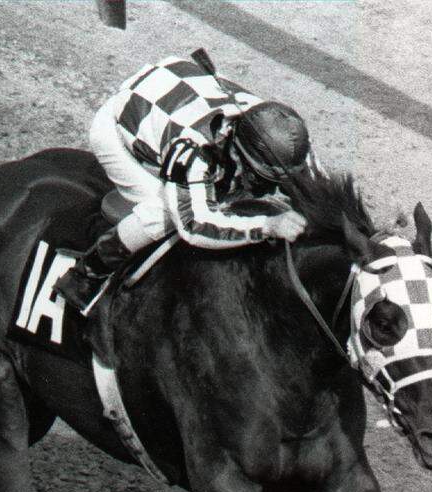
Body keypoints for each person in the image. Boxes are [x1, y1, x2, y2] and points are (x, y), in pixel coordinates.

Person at [54, 50, 314, 313]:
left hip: (178, 87)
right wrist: (267, 226)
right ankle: (87, 274)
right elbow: (194, 225)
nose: (268, 187)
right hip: (121, 126)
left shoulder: (281, 136)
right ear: (235, 149)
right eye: (259, 178)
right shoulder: (194, 152)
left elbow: (311, 184)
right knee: (163, 214)